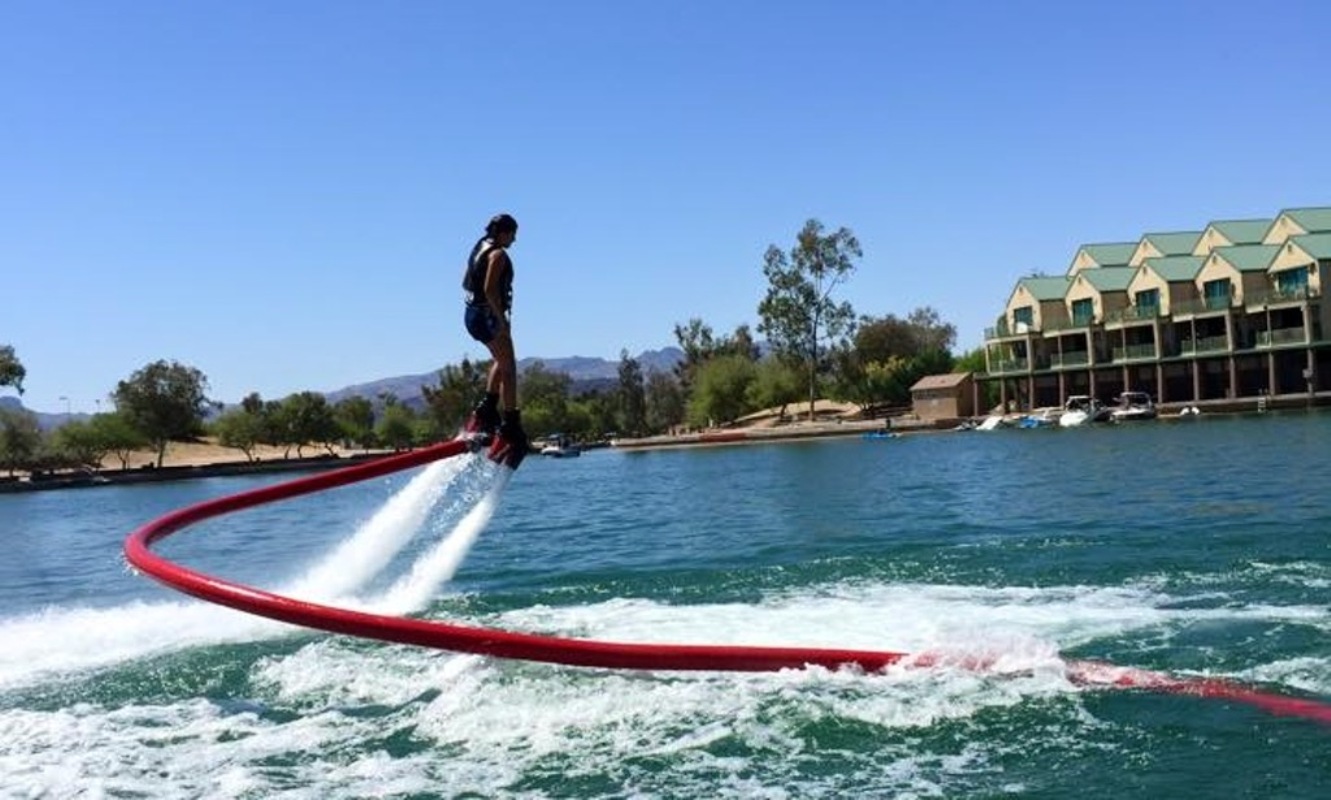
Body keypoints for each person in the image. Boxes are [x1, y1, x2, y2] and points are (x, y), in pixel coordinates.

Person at [462, 213, 528, 465]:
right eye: (512, 234)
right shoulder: (498, 254)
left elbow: (465, 282)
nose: (514, 239)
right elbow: (490, 289)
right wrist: (500, 320)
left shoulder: (480, 246)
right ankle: (511, 424)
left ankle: (487, 411)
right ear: (503, 232)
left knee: (500, 362)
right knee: (510, 368)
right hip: (487, 316)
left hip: (471, 315)